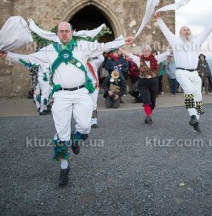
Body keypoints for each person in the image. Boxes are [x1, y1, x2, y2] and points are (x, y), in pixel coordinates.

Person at [0, 22, 133, 186]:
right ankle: (64, 167)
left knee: (85, 126)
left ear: (72, 32)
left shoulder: (83, 46)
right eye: (61, 31)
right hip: (61, 95)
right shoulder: (49, 50)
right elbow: (29, 59)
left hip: (81, 93)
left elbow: (103, 46)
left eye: (67, 31)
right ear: (57, 33)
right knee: (61, 134)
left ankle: (76, 140)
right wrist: (8, 55)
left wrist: (122, 42)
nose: (64, 33)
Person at [154, 11, 212, 133]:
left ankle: (196, 121)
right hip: (181, 72)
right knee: (189, 90)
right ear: (180, 33)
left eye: (188, 29)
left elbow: (207, 30)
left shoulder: (196, 40)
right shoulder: (175, 41)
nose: (186, 31)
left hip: (194, 73)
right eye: (184, 29)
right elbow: (166, 32)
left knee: (198, 96)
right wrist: (159, 20)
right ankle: (193, 116)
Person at [118, 46, 169, 124]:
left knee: (152, 103)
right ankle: (148, 116)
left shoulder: (156, 58)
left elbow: (167, 53)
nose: (145, 52)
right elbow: (129, 54)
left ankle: (148, 115)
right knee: (146, 100)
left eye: (147, 51)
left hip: (153, 82)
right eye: (144, 51)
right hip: (143, 82)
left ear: (150, 52)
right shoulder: (138, 59)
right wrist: (120, 49)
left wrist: (176, 46)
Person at [87, 54, 104, 127]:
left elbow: (102, 58)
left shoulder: (94, 62)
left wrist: (94, 49)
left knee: (93, 104)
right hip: (82, 87)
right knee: (84, 105)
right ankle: (85, 121)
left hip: (93, 86)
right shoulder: (78, 62)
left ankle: (93, 121)